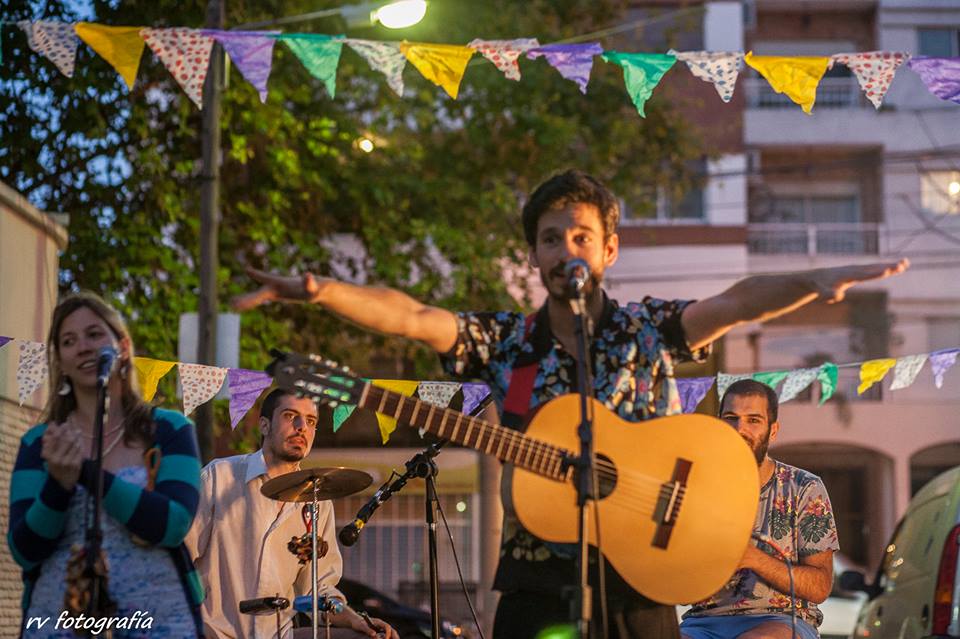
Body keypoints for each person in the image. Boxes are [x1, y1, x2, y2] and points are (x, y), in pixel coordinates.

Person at [231, 169, 908, 639]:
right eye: (551, 238)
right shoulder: (504, 341)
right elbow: (411, 315)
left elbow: (735, 302)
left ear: (608, 248)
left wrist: (816, 280)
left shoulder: (647, 329)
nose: (566, 249)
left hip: (642, 567)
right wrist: (320, 290)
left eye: (580, 236)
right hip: (534, 573)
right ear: (533, 254)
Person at [8, 291, 204, 637]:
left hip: (160, 622)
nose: (83, 346)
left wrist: (85, 471)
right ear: (61, 363)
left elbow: (173, 525)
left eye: (95, 334)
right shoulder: (38, 444)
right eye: (69, 341)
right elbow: (25, 550)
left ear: (123, 347)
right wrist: (57, 485)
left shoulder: (170, 429)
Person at [184, 388, 397, 639]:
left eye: (310, 421)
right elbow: (179, 555)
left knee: (371, 637)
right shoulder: (220, 477)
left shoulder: (317, 499)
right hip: (213, 632)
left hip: (278, 634)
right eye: (289, 416)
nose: (301, 427)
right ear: (264, 425)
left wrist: (356, 619)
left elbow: (319, 586)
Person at [680, 379, 838, 639]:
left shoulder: (804, 487)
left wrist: (752, 558)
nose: (740, 428)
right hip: (703, 621)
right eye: (731, 418)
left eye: (753, 420)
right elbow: (683, 592)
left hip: (783, 619)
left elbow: (820, 587)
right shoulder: (696, 485)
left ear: (772, 431)